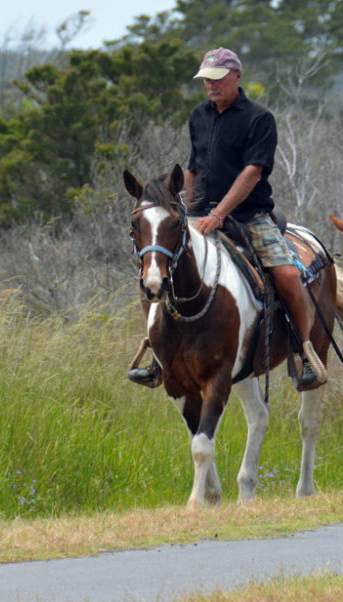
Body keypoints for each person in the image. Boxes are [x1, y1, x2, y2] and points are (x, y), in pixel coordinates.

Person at [129, 47, 326, 390]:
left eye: (218, 78)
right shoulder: (199, 115)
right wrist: (185, 209)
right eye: (207, 80)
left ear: (237, 76)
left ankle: (305, 350)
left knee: (287, 273)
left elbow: (252, 172)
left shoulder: (259, 118)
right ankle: (157, 354)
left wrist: (220, 214)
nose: (211, 86)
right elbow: (193, 168)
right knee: (158, 269)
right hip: (201, 213)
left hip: (249, 215)